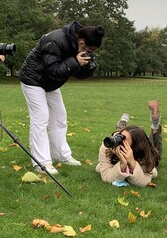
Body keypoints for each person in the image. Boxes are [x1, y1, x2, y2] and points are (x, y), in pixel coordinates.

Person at [20, 21, 105, 175]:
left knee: (60, 117)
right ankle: (42, 163)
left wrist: (87, 67)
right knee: (40, 118)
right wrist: (75, 62)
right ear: (81, 42)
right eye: (89, 50)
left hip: (51, 84)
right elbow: (53, 70)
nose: (90, 53)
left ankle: (61, 155)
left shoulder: (77, 47)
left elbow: (75, 73)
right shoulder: (55, 40)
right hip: (33, 79)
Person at [96, 100, 162, 187]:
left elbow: (144, 181)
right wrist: (122, 165)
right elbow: (106, 176)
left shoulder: (143, 154)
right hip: (122, 135)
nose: (119, 143)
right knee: (120, 133)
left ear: (135, 148)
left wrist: (132, 163)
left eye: (124, 142)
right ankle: (121, 126)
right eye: (120, 137)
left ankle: (155, 125)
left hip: (143, 149)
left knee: (154, 150)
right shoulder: (108, 145)